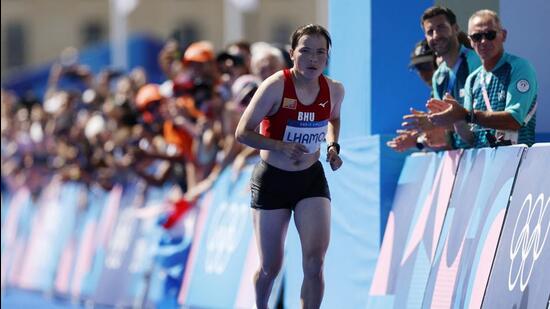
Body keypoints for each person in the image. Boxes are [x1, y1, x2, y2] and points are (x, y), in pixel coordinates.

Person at [235, 24, 344, 309]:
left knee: (315, 261)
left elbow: (333, 119)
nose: (313, 59)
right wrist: (281, 145)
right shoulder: (275, 86)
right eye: (305, 51)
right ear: (293, 53)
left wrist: (333, 147)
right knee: (271, 266)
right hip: (272, 180)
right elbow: (242, 132)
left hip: (310, 180)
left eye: (321, 53)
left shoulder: (334, 89)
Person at [428, 9, 538, 147]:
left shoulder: (519, 67)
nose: (483, 41)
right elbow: (470, 138)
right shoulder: (472, 79)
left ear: (503, 35)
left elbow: (514, 120)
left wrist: (466, 115)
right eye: (476, 37)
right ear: (470, 41)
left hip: (518, 162)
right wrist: (456, 119)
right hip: (485, 164)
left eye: (490, 35)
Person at [401, 6, 481, 150]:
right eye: (430, 32)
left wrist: (434, 123)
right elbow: (446, 127)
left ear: (455, 28)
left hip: (484, 152)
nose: (436, 35)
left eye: (441, 27)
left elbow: (483, 118)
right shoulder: (438, 76)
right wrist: (422, 134)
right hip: (459, 158)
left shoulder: (476, 62)